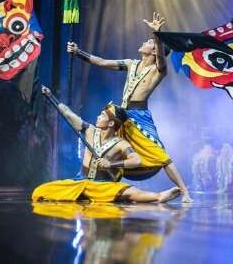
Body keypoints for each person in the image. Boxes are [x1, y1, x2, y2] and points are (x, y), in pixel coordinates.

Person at [67, 12, 192, 203]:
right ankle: (94, 182)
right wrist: (78, 53)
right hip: (121, 115)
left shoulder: (157, 70)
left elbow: (161, 57)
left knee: (161, 155)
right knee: (106, 147)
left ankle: (184, 192)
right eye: (149, 40)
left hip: (139, 118)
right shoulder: (131, 64)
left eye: (148, 42)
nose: (144, 43)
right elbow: (102, 62)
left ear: (154, 51)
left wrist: (157, 35)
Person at [32, 86, 181, 203]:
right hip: (79, 183)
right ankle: (83, 196)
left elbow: (136, 160)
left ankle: (159, 196)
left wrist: (110, 164)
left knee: (128, 193)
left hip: (104, 186)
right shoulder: (89, 130)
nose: (97, 117)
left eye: (102, 116)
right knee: (39, 192)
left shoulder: (121, 144)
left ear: (110, 123)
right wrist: (51, 97)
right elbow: (69, 115)